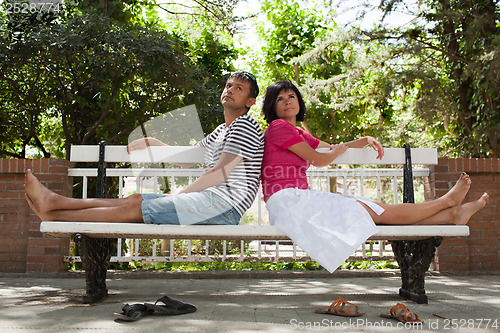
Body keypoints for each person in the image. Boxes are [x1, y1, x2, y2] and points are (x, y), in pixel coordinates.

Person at [261, 80, 489, 272]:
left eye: (291, 95)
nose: (288, 100)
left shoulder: (297, 131)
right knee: (380, 211)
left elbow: (331, 146)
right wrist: (337, 151)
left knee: (378, 213)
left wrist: (365, 140)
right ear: (273, 106)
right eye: (280, 98)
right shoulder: (278, 126)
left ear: (299, 101)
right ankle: (446, 202)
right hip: (288, 201)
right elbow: (320, 159)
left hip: (298, 199)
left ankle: (453, 215)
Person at [24, 71, 264, 226]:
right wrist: (154, 143)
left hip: (222, 207)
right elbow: (187, 160)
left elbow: (219, 173)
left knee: (132, 208)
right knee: (136, 199)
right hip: (210, 203)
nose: (230, 90)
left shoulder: (245, 125)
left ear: (250, 102)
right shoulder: (223, 129)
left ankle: (54, 214)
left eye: (239, 88)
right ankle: (53, 204)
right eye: (229, 85)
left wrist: (180, 195)